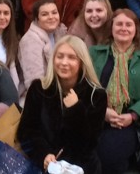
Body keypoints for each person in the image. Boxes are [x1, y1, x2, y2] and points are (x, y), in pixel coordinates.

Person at [18, 35, 107, 173]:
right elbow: (27, 132)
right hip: (45, 164)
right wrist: (44, 154)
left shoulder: (96, 95)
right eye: (60, 56)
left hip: (80, 167)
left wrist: (76, 109)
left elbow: (89, 144)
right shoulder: (39, 88)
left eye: (72, 57)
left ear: (82, 62)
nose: (64, 62)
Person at [89, 9, 140, 174]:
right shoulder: (95, 53)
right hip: (96, 116)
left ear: (136, 29)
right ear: (111, 28)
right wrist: (102, 111)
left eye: (129, 24)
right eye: (119, 24)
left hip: (128, 122)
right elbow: (85, 87)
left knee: (106, 157)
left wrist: (132, 116)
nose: (124, 28)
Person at [18, 0, 68, 104]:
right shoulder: (29, 41)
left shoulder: (60, 33)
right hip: (40, 98)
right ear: (37, 19)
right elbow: (35, 81)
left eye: (54, 12)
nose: (51, 17)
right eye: (45, 14)